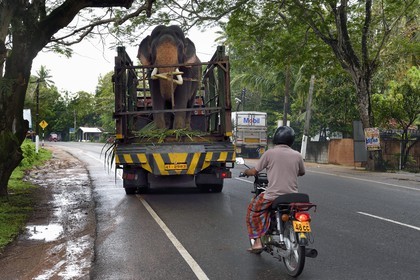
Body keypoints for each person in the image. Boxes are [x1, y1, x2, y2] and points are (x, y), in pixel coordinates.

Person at [242, 126, 305, 253]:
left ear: (276, 138)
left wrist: (246, 171)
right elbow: (301, 172)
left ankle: (258, 242)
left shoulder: (269, 153)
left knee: (253, 211)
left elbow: (255, 171)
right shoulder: (297, 155)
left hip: (273, 195)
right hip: (293, 196)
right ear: (291, 140)